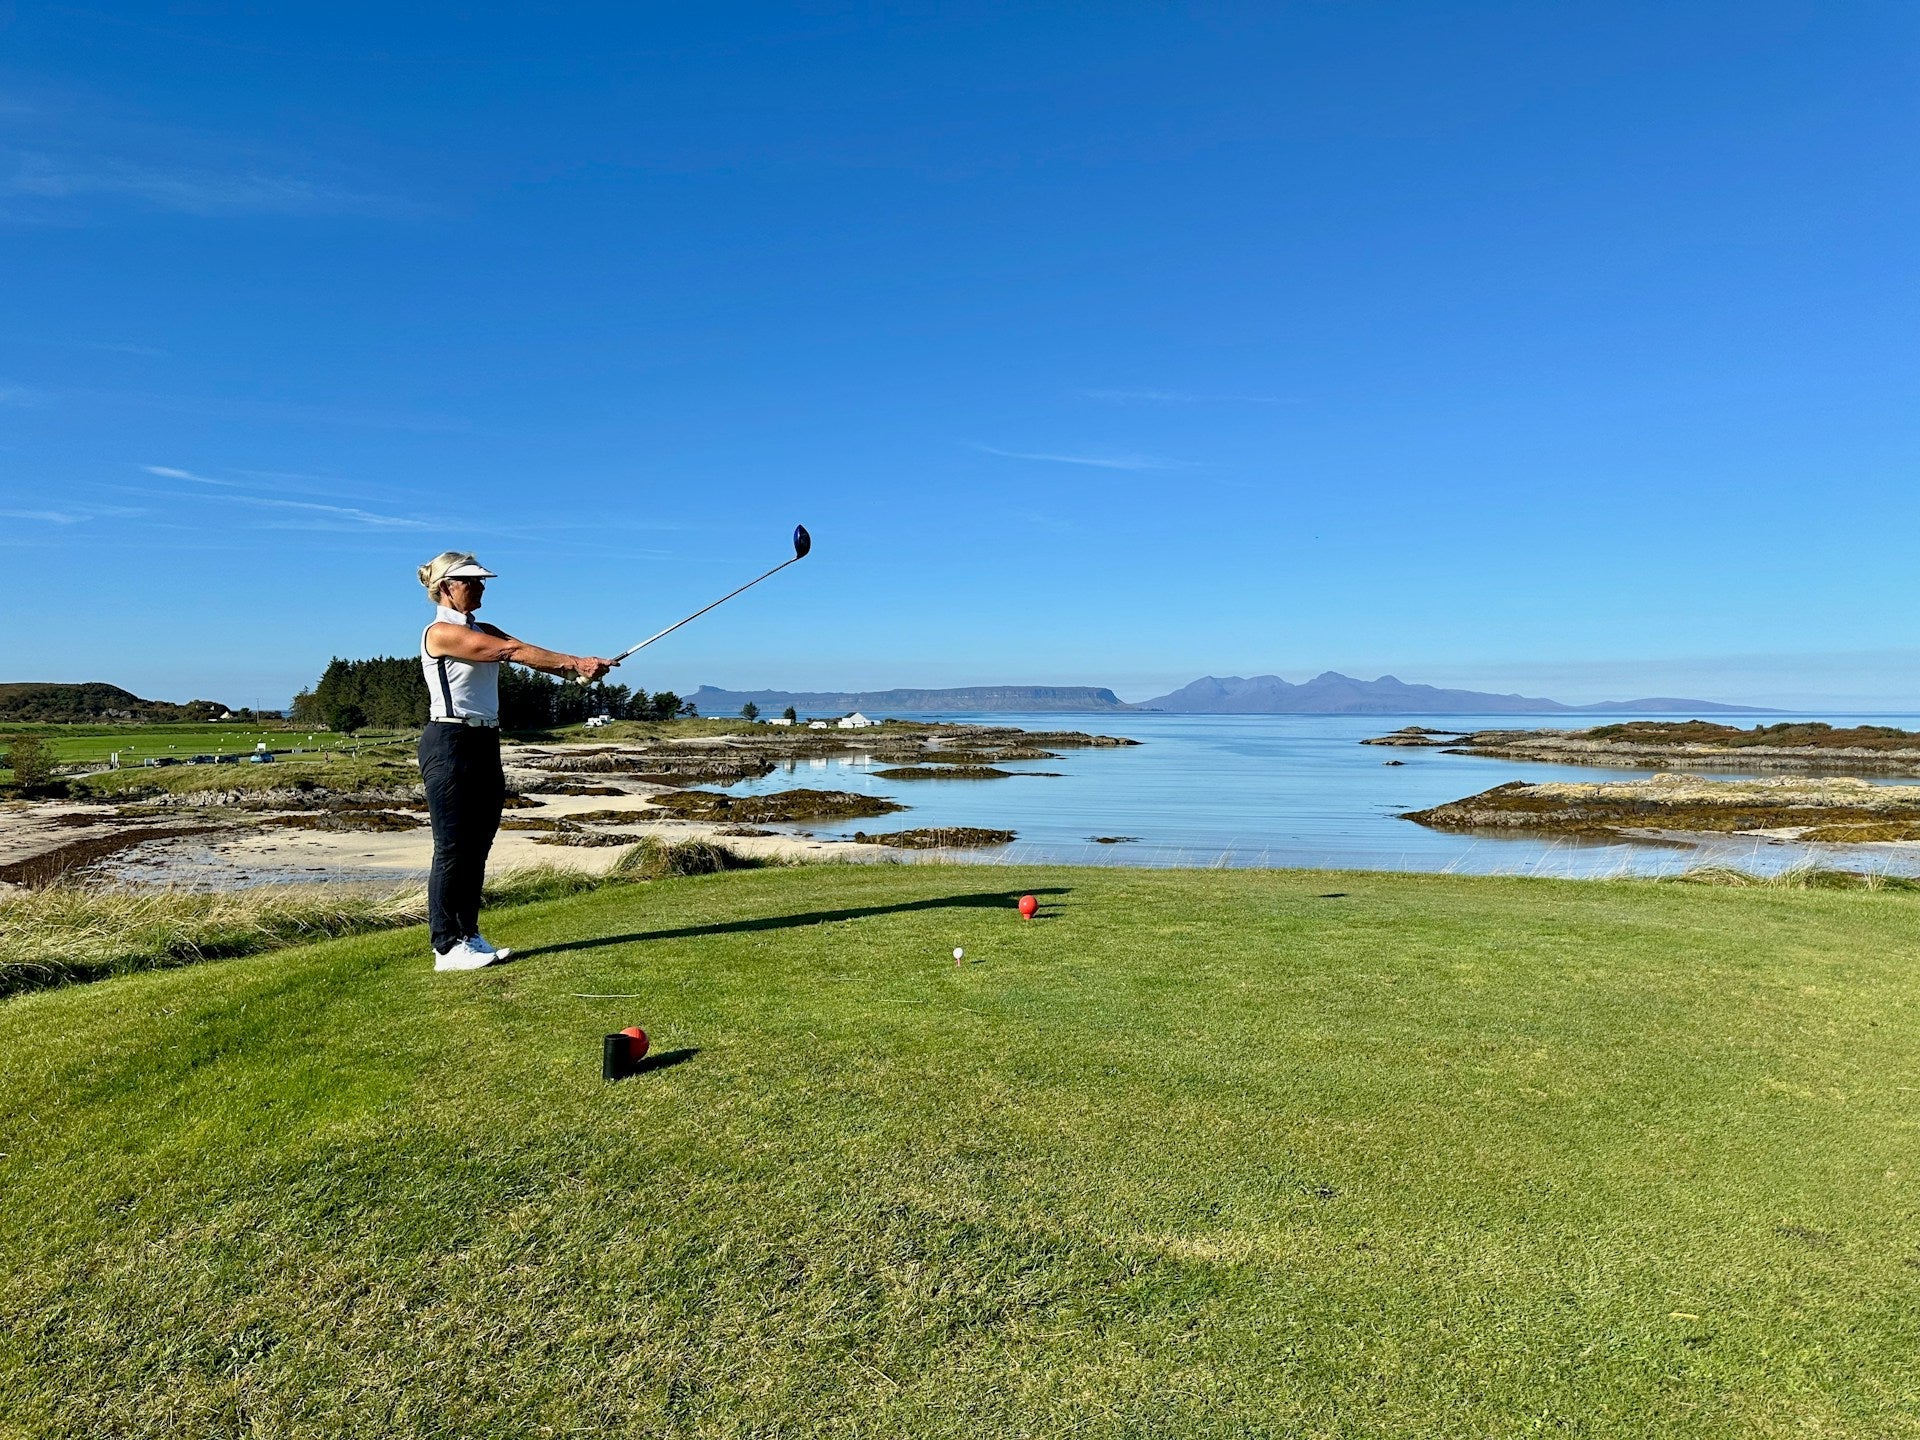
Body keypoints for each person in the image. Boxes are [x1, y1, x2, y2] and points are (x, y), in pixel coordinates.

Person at [415, 551, 614, 971]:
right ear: (447, 587)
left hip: (485, 740)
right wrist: (574, 662)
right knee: (452, 847)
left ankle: (469, 934)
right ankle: (446, 947)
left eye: (482, 580)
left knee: (479, 844)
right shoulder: (440, 633)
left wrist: (579, 670)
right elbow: (509, 652)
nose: (482, 586)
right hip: (449, 739)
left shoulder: (483, 627)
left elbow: (526, 651)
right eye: (473, 581)